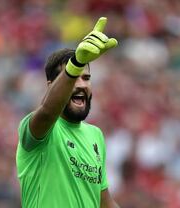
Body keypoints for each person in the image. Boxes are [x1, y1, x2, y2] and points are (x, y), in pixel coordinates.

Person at [16, 17, 120, 208]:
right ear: (51, 86)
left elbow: (104, 202)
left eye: (86, 78)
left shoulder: (95, 135)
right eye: (74, 78)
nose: (81, 85)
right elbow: (47, 111)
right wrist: (77, 62)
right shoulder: (38, 129)